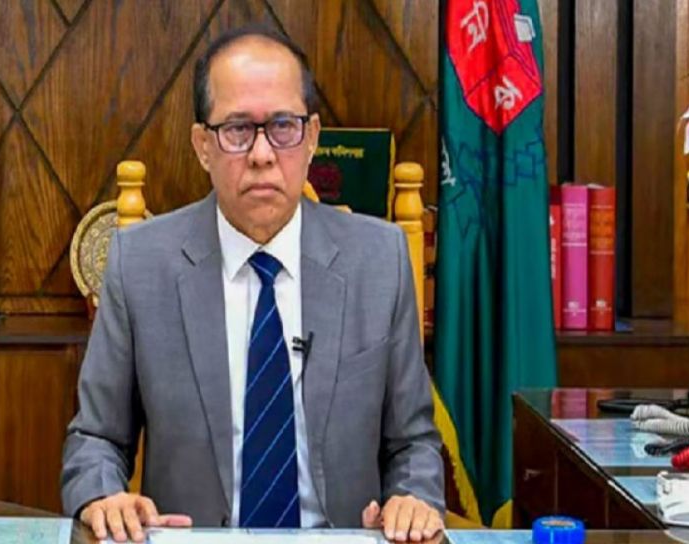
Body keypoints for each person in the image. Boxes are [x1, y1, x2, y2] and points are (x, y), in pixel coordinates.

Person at [61, 24, 444, 543]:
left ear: (312, 138)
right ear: (202, 146)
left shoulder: (379, 260)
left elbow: (413, 444)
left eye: (283, 126)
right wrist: (104, 496)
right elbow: (95, 438)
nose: (262, 154)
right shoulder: (141, 264)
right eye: (238, 129)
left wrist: (413, 499)